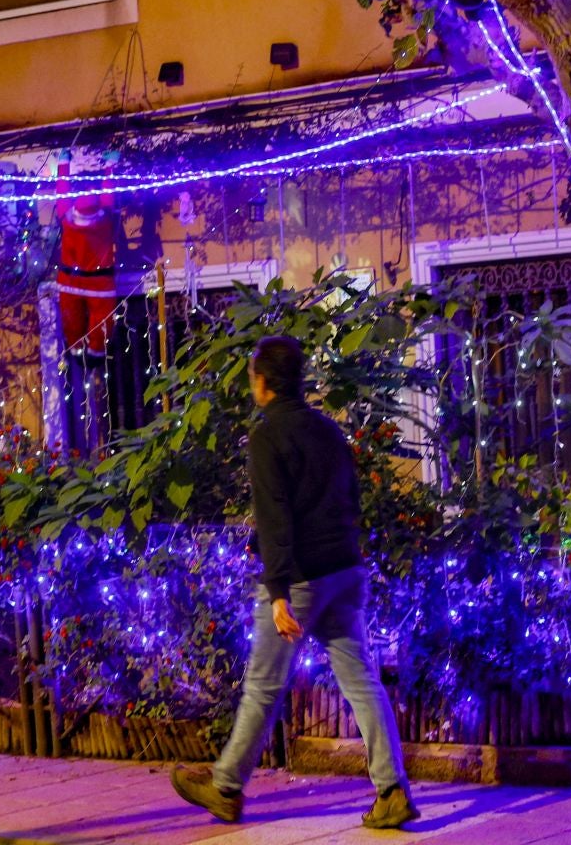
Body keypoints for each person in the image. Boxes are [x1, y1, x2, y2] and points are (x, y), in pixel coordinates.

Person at [170, 335, 417, 830]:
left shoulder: (267, 437)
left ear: (263, 383)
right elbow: (350, 500)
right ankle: (391, 791)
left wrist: (278, 590)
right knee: (362, 682)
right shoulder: (329, 432)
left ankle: (225, 788)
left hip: (300, 578)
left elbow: (273, 516)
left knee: (263, 686)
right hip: (344, 571)